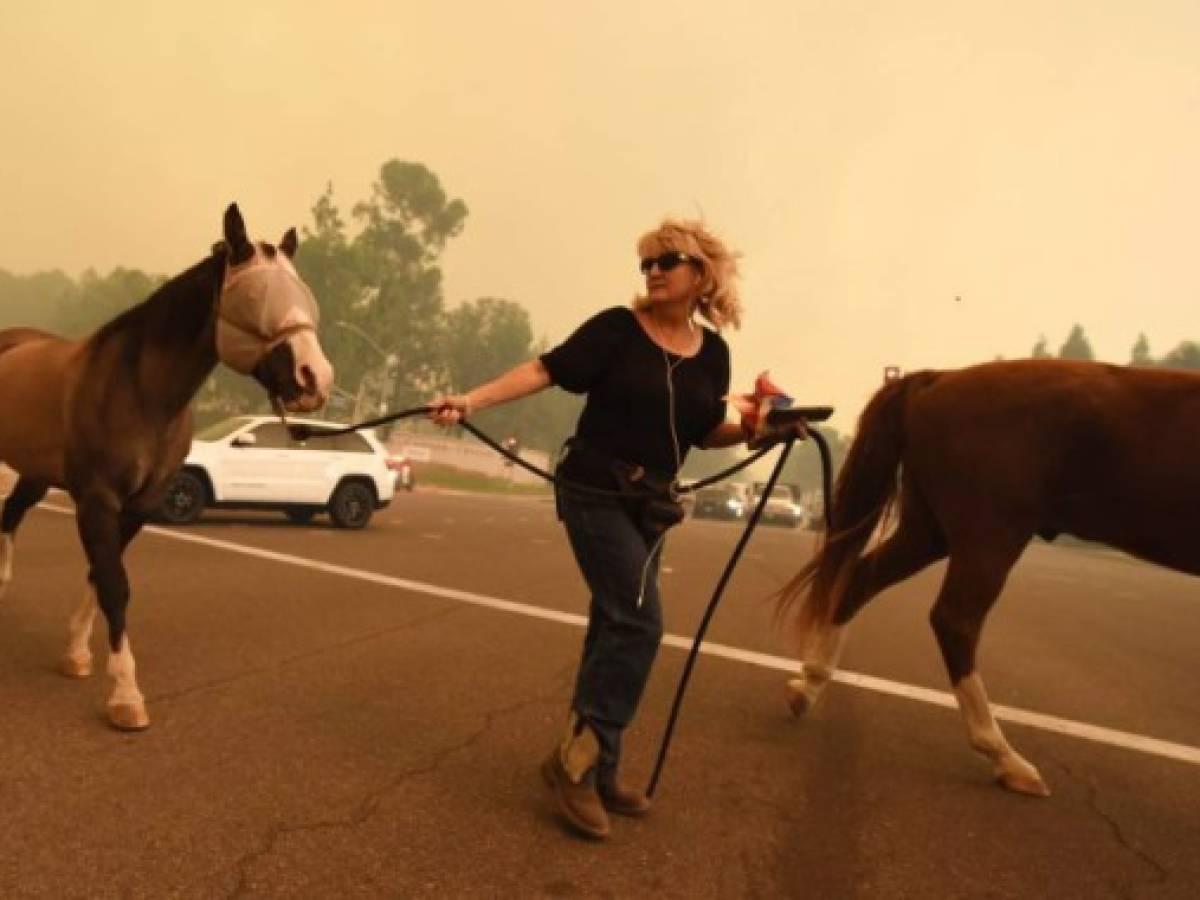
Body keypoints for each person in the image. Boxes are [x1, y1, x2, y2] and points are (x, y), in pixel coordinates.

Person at [428, 219, 802, 839]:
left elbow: (707, 430)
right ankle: (574, 767)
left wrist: (765, 428)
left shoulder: (713, 353)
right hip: (594, 489)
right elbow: (546, 369)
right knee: (638, 620)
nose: (653, 272)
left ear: (701, 274)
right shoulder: (616, 330)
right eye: (647, 263)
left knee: (614, 621)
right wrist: (469, 401)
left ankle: (600, 767)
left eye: (667, 261)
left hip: (650, 502)